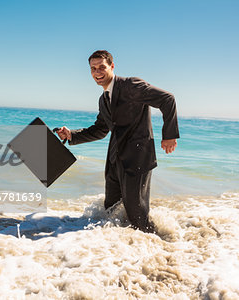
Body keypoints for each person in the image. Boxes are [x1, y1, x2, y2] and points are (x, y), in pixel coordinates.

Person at [57, 50, 179, 233]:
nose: (97, 72)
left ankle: (157, 245)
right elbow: (100, 129)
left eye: (101, 67)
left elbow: (167, 99)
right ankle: (116, 251)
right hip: (115, 160)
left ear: (112, 67)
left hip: (137, 159)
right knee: (111, 210)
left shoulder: (131, 85)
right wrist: (71, 135)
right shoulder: (104, 99)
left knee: (136, 212)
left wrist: (169, 135)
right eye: (93, 68)